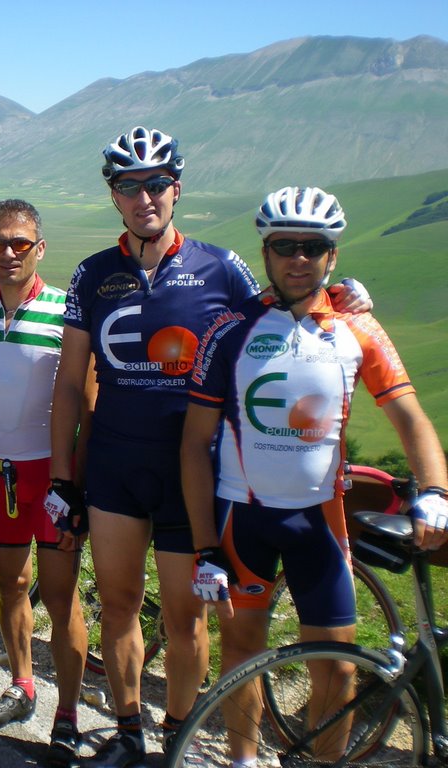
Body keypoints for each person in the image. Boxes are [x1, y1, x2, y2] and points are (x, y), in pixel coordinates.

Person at [46, 127, 372, 766]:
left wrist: (344, 298)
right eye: (129, 185)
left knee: (185, 618)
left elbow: (281, 306)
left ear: (177, 188)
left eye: (157, 183)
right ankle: (129, 730)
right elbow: (68, 387)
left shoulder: (220, 265)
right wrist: (64, 476)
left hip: (190, 471)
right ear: (113, 195)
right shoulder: (93, 274)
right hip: (114, 462)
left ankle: (177, 733)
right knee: (116, 605)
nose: (145, 197)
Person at [181, 185, 448, 764]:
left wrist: (435, 493)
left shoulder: (360, 331)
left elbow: (411, 418)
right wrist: (205, 546)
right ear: (267, 253)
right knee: (242, 653)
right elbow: (194, 443)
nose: (298, 258)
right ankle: (244, 759)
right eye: (284, 246)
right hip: (240, 516)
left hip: (319, 521)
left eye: (313, 246)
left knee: (335, 663)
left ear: (332, 255)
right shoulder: (229, 330)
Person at [0, 199, 92, 765]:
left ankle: (67, 715)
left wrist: (76, 482)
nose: (8, 252)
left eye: (20, 243)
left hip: (53, 474)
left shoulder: (68, 313)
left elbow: (88, 405)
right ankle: (22, 686)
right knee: (11, 586)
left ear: (40, 248)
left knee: (62, 600)